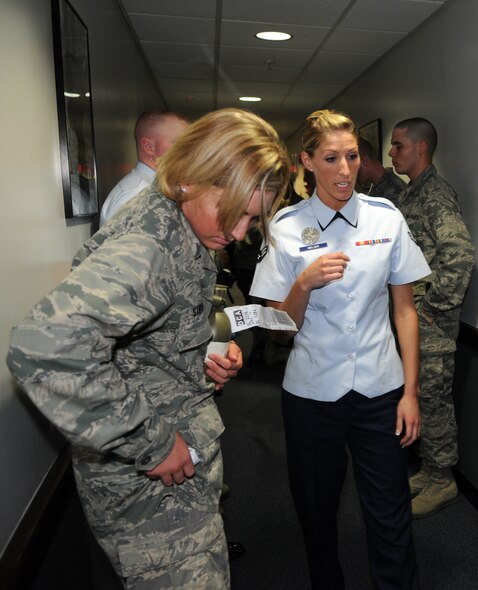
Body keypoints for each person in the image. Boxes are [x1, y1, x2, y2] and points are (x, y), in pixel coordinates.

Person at [7, 108, 291, 588]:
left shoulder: (179, 223)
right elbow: (44, 343)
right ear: (194, 178)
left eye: (253, 218)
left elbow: (142, 335)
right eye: (237, 213)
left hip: (174, 474)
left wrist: (204, 355)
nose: (240, 233)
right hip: (151, 495)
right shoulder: (150, 247)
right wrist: (150, 441)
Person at [250, 109, 430, 590]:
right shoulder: (284, 227)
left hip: (379, 389)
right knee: (316, 513)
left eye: (351, 156)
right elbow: (276, 331)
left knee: (390, 513)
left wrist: (411, 392)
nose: (345, 170)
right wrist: (303, 284)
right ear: (306, 161)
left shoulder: (386, 218)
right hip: (311, 393)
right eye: (331, 158)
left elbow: (405, 311)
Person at [388, 117, 475, 517]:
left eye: (399, 146)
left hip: (430, 326)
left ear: (421, 148)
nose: (392, 154)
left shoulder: (435, 194)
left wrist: (430, 311)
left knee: (435, 402)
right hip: (414, 320)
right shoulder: (411, 195)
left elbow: (459, 257)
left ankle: (443, 480)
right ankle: (429, 468)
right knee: (419, 396)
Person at [99, 108, 190, 225]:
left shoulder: (154, 189)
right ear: (148, 147)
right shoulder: (137, 196)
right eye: (179, 143)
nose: (188, 151)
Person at [357, 136, 406, 206]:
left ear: (363, 160)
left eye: (352, 164)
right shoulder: (375, 186)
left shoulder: (396, 193)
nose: (349, 172)